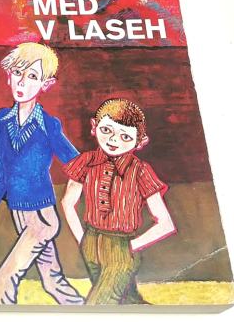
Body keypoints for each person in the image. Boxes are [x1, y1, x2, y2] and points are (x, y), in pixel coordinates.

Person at [0, 42, 84, 305]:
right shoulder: (2, 120)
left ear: (45, 84)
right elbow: (0, 171)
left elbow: (78, 165)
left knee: (2, 279)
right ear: (8, 76)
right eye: (18, 73)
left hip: (41, 218)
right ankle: (83, 310)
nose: (22, 82)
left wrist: (69, 201)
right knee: (53, 281)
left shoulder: (48, 125)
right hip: (18, 212)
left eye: (32, 76)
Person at [60, 98, 176, 305]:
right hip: (90, 243)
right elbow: (68, 202)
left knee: (98, 305)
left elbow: (165, 223)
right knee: (128, 301)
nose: (114, 140)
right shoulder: (86, 161)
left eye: (125, 136)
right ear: (94, 127)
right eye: (107, 130)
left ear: (140, 142)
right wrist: (82, 240)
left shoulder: (140, 171)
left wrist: (129, 248)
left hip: (121, 248)